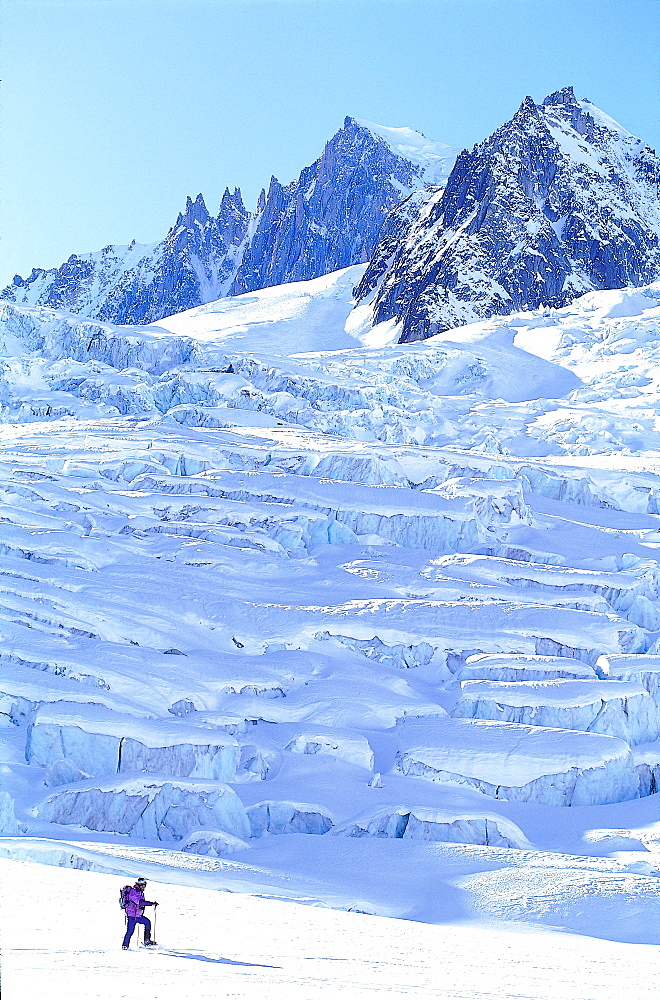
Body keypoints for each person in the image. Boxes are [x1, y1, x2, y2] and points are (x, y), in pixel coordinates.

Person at [122, 877, 158, 949]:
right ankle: (125, 945)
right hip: (133, 916)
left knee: (147, 923)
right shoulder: (134, 892)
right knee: (130, 931)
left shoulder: (138, 891)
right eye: (143, 885)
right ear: (140, 885)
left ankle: (146, 941)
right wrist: (151, 904)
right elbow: (140, 902)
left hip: (136, 915)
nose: (144, 887)